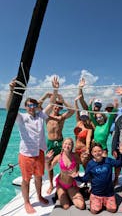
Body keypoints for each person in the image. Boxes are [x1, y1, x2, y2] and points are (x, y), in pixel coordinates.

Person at [6, 76, 59, 214]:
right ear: (26, 107)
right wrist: (12, 90)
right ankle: (27, 202)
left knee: (39, 177)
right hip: (26, 154)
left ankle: (39, 195)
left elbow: (52, 104)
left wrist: (55, 89)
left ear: (36, 107)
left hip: (39, 152)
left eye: (34, 105)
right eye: (29, 105)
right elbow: (10, 108)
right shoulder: (22, 117)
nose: (32, 107)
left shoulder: (41, 115)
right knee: (26, 180)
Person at [71, 142, 122, 214]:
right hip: (96, 194)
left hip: (109, 193)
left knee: (112, 210)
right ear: (92, 153)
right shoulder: (90, 164)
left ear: (102, 151)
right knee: (94, 211)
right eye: (95, 151)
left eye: (99, 151)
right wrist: (77, 177)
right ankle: (93, 198)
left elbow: (120, 163)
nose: (97, 153)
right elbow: (85, 179)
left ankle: (105, 202)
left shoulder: (108, 160)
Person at [46, 93, 75, 194]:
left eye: (59, 107)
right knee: (49, 163)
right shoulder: (47, 117)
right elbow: (41, 109)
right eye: (56, 106)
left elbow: (72, 111)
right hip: (50, 143)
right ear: (52, 106)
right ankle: (51, 184)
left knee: (65, 161)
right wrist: (48, 96)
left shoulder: (62, 117)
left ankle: (65, 180)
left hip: (60, 142)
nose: (57, 108)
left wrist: (63, 101)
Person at [45, 138, 85, 210]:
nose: (67, 145)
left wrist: (84, 157)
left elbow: (82, 162)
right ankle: (60, 193)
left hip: (71, 185)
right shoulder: (59, 157)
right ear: (62, 145)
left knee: (81, 205)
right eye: (65, 143)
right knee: (66, 207)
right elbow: (48, 168)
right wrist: (47, 161)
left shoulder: (75, 156)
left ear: (72, 146)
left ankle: (68, 194)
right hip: (61, 184)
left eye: (69, 144)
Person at [74, 95, 93, 169]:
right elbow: (77, 111)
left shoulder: (89, 129)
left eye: (85, 117)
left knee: (85, 165)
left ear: (87, 117)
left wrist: (87, 149)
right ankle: (76, 179)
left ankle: (87, 179)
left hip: (83, 149)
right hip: (76, 149)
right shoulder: (78, 123)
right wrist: (75, 102)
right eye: (82, 117)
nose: (84, 119)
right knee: (76, 166)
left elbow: (88, 140)